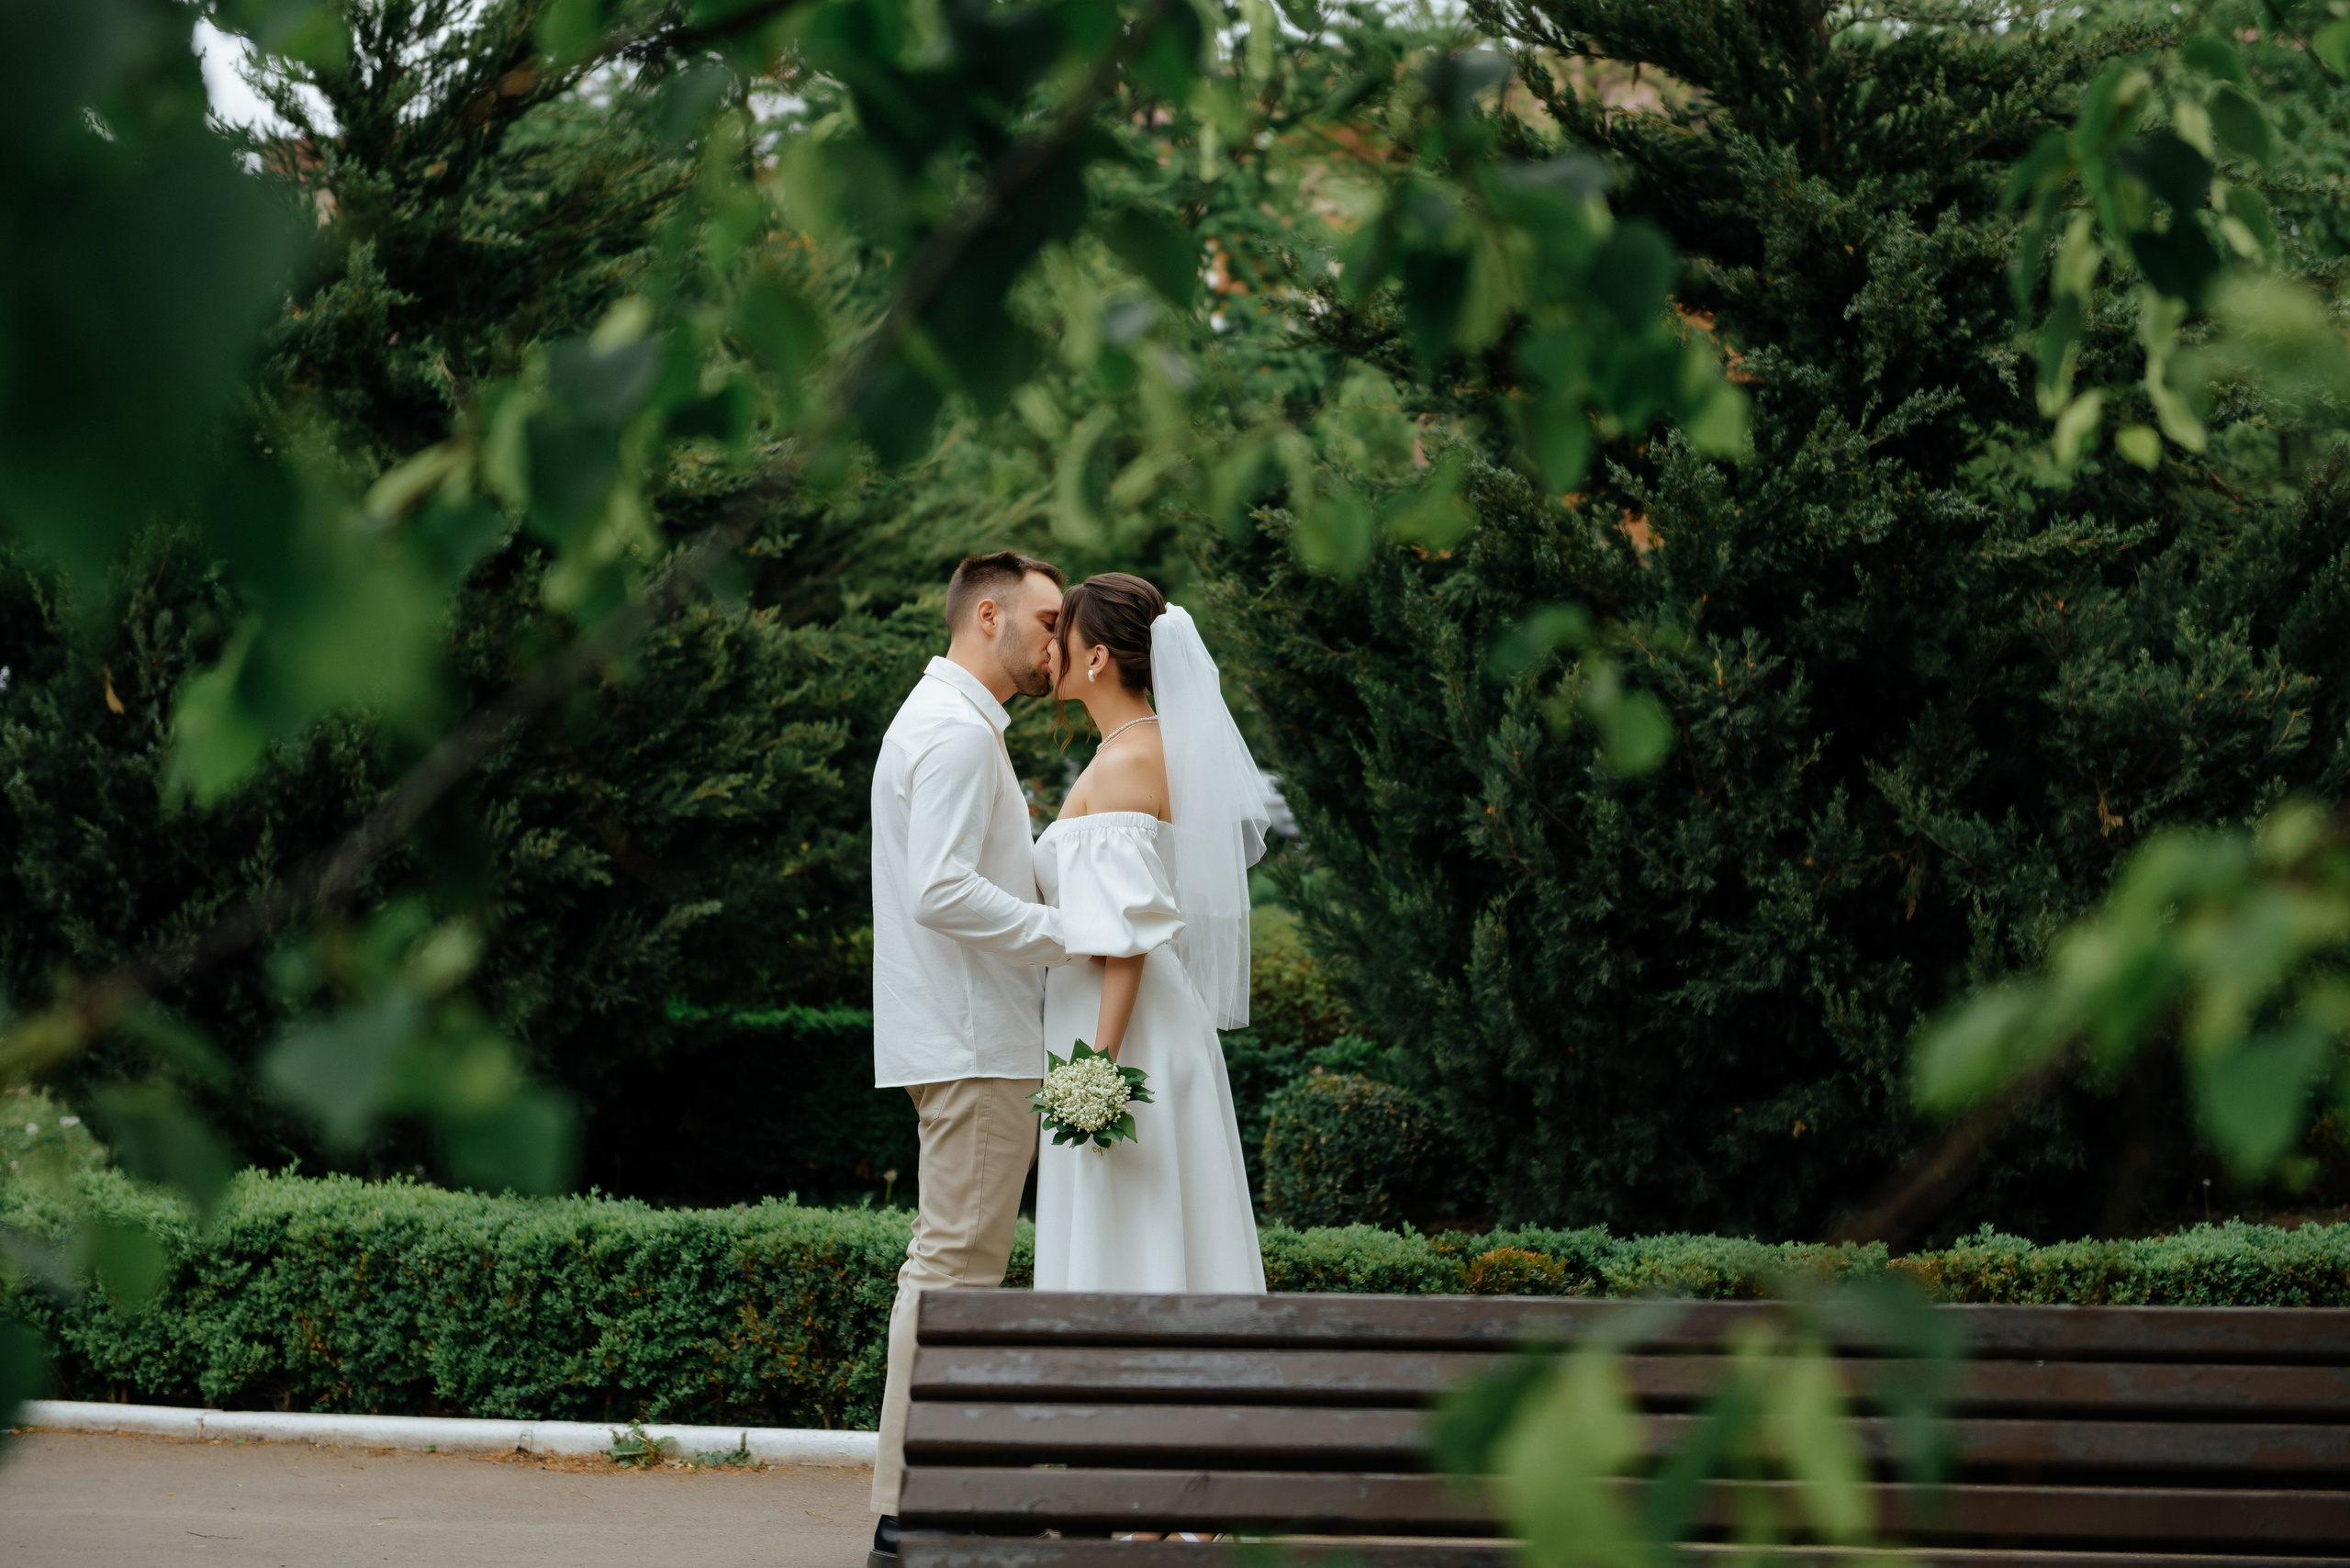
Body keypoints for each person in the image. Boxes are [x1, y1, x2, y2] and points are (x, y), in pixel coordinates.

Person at [866, 550, 1069, 1566]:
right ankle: (909, 1505)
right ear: (985, 614)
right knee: (950, 1267)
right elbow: (939, 889)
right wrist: (1063, 931)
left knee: (954, 1265)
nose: (1055, 641)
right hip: (974, 1040)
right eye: (1043, 619)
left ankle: (926, 1493)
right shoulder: (950, 732)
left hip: (962, 1033)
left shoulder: (948, 723)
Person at [1031, 573, 1269, 1298]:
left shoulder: (1127, 761)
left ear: (1096, 657)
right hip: (1147, 1020)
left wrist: (1096, 1072)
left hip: (1119, 1029)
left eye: (1060, 632)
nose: (1048, 648)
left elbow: (1125, 939)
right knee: (1165, 1220)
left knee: (1127, 1224)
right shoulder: (1154, 746)